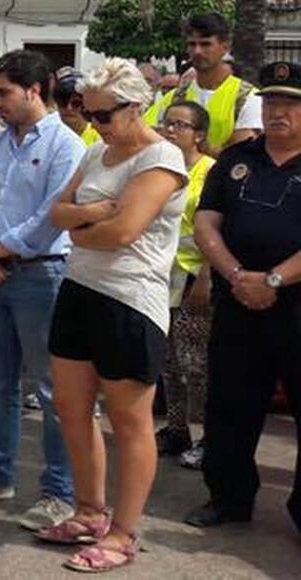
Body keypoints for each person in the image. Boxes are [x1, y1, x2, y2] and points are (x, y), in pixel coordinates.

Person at [42, 59, 187, 571]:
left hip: (129, 298)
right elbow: (58, 213)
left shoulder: (162, 157)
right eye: (89, 113)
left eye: (104, 114)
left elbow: (124, 232)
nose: (95, 123)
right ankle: (89, 511)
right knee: (71, 407)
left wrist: (81, 227)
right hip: (80, 288)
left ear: (137, 106)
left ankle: (123, 534)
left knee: (129, 420)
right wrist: (89, 217)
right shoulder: (97, 152)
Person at [0, 50, 84, 531]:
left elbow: (51, 217)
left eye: (3, 93)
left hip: (40, 276)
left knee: (52, 390)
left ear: (34, 90)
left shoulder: (66, 145)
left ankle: (59, 494)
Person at [183, 61, 301, 532]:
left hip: (295, 308)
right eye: (271, 102)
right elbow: (206, 223)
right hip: (238, 303)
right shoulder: (237, 161)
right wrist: (236, 276)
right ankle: (228, 498)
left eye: (290, 104)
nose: (278, 112)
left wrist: (272, 280)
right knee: (230, 404)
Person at [154, 100, 215, 469]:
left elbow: (217, 228)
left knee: (196, 365)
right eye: (168, 123)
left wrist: (207, 276)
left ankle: (211, 436)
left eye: (181, 125)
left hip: (194, 276)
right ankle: (177, 430)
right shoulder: (163, 168)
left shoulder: (210, 172)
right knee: (169, 362)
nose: (171, 130)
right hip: (162, 275)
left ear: (199, 134)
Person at [144, 13, 260, 153]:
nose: (197, 51)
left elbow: (240, 155)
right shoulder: (175, 97)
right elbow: (144, 133)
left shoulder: (248, 98)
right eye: (192, 44)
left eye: (206, 44)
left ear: (226, 47)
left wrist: (190, 147)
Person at [55, 71, 102, 147]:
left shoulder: (100, 137)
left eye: (76, 103)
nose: (68, 108)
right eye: (62, 102)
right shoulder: (49, 135)